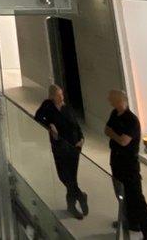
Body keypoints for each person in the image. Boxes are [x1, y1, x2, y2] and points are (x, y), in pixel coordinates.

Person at [105, 89, 147, 240]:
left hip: (129, 165)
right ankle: (130, 222)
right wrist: (115, 134)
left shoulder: (131, 120)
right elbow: (106, 130)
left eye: (112, 99)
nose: (109, 101)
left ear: (120, 100)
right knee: (121, 194)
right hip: (116, 161)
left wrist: (113, 134)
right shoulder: (114, 113)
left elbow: (124, 141)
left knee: (136, 198)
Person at [35, 85, 88, 219]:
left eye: (62, 94)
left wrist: (82, 139)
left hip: (74, 146)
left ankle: (72, 206)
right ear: (52, 96)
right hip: (59, 147)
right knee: (63, 176)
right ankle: (81, 196)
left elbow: (76, 125)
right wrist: (49, 125)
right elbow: (37, 118)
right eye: (58, 95)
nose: (61, 97)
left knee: (71, 178)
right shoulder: (48, 106)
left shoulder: (67, 108)